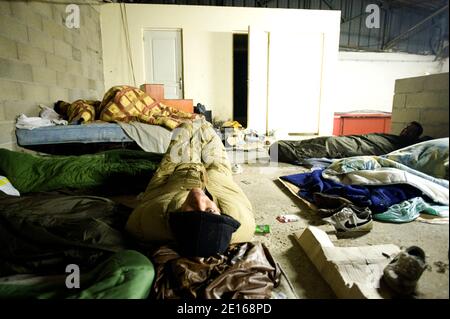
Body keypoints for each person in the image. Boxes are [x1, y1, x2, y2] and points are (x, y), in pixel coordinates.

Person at [125, 118, 255, 257]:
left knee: (185, 126)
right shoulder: (242, 223)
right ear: (220, 212)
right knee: (206, 128)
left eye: (190, 211)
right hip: (217, 173)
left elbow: (133, 226)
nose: (198, 198)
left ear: (177, 217)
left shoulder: (150, 221)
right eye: (210, 210)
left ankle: (196, 122)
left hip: (182, 171)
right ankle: (202, 122)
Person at [270, 121, 430, 165]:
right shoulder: (391, 136)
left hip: (350, 147)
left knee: (326, 147)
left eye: (411, 131)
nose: (405, 131)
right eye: (406, 128)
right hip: (348, 140)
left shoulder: (406, 147)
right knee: (326, 140)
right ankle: (283, 146)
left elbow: (428, 143)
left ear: (415, 137)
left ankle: (281, 150)